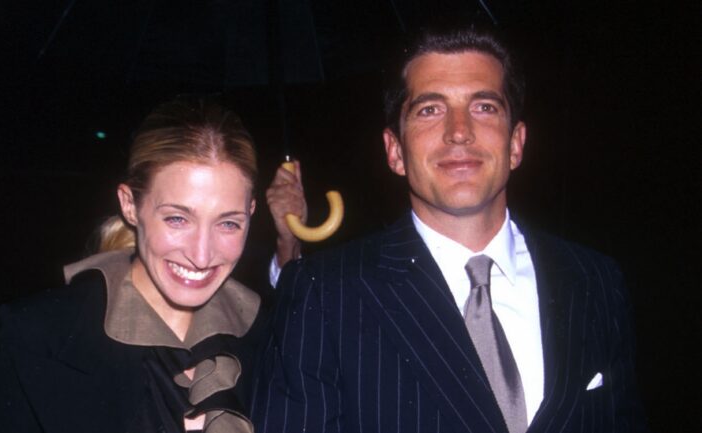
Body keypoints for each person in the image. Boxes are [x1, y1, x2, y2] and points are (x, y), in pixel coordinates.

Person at [251, 22, 649, 433]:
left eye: (484, 107)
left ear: (516, 143)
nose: (459, 131)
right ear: (395, 151)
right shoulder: (328, 295)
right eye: (430, 109)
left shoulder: (597, 281)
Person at [0, 97, 263, 433]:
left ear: (251, 214)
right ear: (130, 205)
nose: (202, 255)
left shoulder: (269, 337)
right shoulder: (36, 339)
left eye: (228, 224)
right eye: (177, 218)